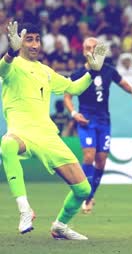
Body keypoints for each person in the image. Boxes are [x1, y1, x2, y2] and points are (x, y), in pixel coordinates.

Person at [0, 21, 106, 239]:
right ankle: (24, 209)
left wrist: (92, 72)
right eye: (29, 39)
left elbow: (74, 88)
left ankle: (60, 226)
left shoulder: (46, 72)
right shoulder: (12, 66)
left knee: (83, 190)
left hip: (48, 136)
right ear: (19, 42)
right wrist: (10, 52)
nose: (34, 44)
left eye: (37, 39)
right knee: (7, 145)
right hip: (21, 132)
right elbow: (2, 68)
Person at [64, 37, 132, 214]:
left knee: (101, 160)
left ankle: (90, 196)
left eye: (94, 47)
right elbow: (67, 95)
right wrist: (74, 113)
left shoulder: (109, 71)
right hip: (86, 120)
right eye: (88, 48)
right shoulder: (77, 74)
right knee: (89, 156)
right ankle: (82, 194)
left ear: (100, 51)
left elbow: (123, 83)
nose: (91, 50)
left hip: (104, 121)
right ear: (83, 51)